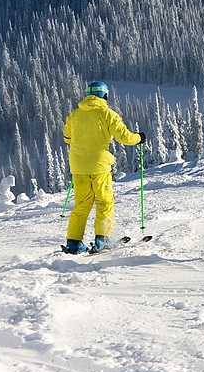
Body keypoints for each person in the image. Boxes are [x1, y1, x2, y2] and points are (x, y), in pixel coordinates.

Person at [62, 81, 145, 254]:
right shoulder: (108, 114)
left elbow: (67, 138)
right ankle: (102, 240)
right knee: (104, 202)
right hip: (99, 166)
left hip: (78, 167)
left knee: (81, 205)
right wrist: (139, 138)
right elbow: (125, 138)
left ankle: (73, 243)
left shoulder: (74, 115)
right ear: (105, 96)